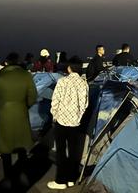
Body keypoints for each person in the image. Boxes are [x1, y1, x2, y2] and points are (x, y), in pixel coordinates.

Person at [0, 53, 37, 183]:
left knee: (6, 147)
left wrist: (0, 109)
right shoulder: (26, 75)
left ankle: (8, 178)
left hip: (4, 113)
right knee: (22, 145)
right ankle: (23, 175)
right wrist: (24, 105)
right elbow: (33, 96)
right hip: (21, 111)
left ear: (6, 63)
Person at [47, 57, 89, 190]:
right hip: (75, 122)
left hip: (61, 121)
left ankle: (60, 180)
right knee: (74, 151)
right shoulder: (84, 84)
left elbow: (55, 101)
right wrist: (78, 116)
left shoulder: (62, 81)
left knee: (60, 151)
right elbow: (84, 105)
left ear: (69, 68)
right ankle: (71, 178)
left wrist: (54, 115)